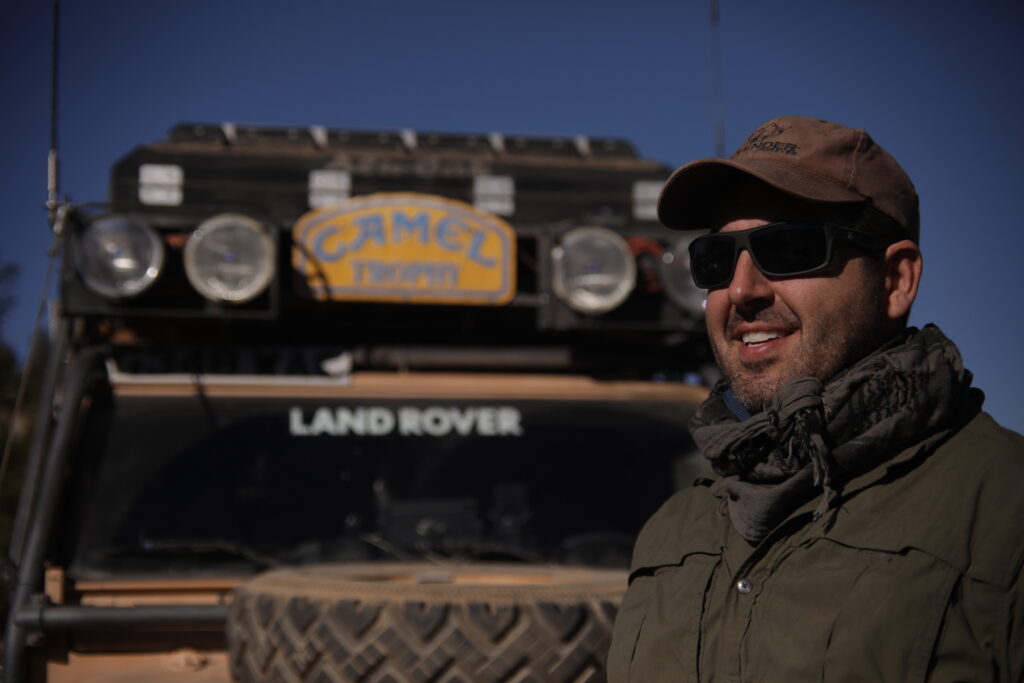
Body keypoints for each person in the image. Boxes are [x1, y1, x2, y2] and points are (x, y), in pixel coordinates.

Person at [607, 115, 1024, 682]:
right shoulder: (672, 531)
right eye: (716, 259)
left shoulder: (1004, 507)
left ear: (896, 279)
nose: (742, 290)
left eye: (791, 247)